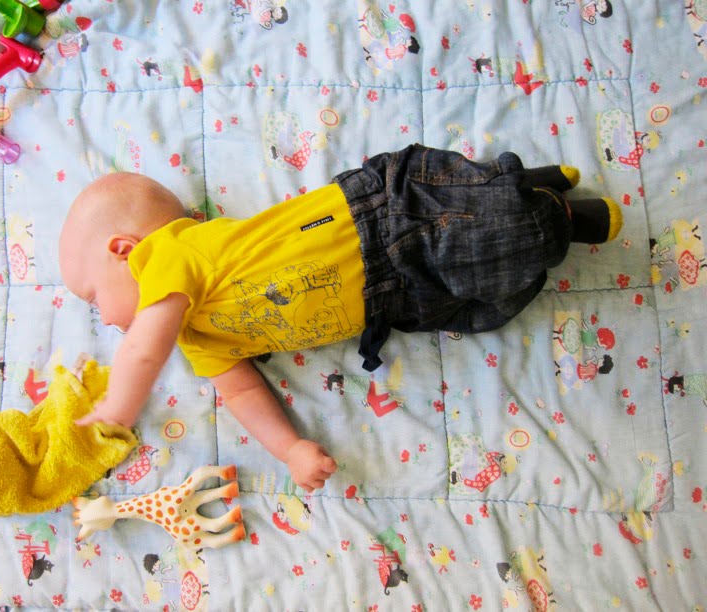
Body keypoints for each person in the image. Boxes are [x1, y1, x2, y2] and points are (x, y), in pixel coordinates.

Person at [59, 144, 623, 492]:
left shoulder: (170, 256)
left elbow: (143, 350)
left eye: (93, 299)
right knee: (483, 299)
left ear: (124, 251)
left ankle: (558, 213)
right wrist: (289, 448)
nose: (105, 323)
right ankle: (523, 189)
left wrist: (117, 410)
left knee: (483, 233)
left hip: (377, 224)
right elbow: (241, 391)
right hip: (390, 300)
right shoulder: (194, 338)